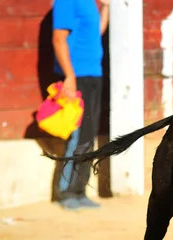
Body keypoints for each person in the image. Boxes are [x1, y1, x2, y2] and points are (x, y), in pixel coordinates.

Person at [52, 0, 110, 210]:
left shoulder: (90, 3)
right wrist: (69, 76)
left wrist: (105, 7)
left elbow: (97, 33)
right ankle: (66, 192)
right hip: (77, 78)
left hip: (94, 74)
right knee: (76, 135)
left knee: (88, 135)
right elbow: (58, 39)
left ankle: (79, 190)